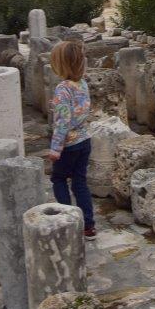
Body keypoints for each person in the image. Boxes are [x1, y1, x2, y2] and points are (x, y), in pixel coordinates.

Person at [48, 39, 96, 238]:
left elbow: (62, 122)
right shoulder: (82, 84)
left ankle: (68, 222)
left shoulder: (62, 89)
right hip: (84, 141)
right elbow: (81, 111)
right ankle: (88, 226)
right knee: (79, 182)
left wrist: (55, 148)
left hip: (68, 145)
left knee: (58, 179)